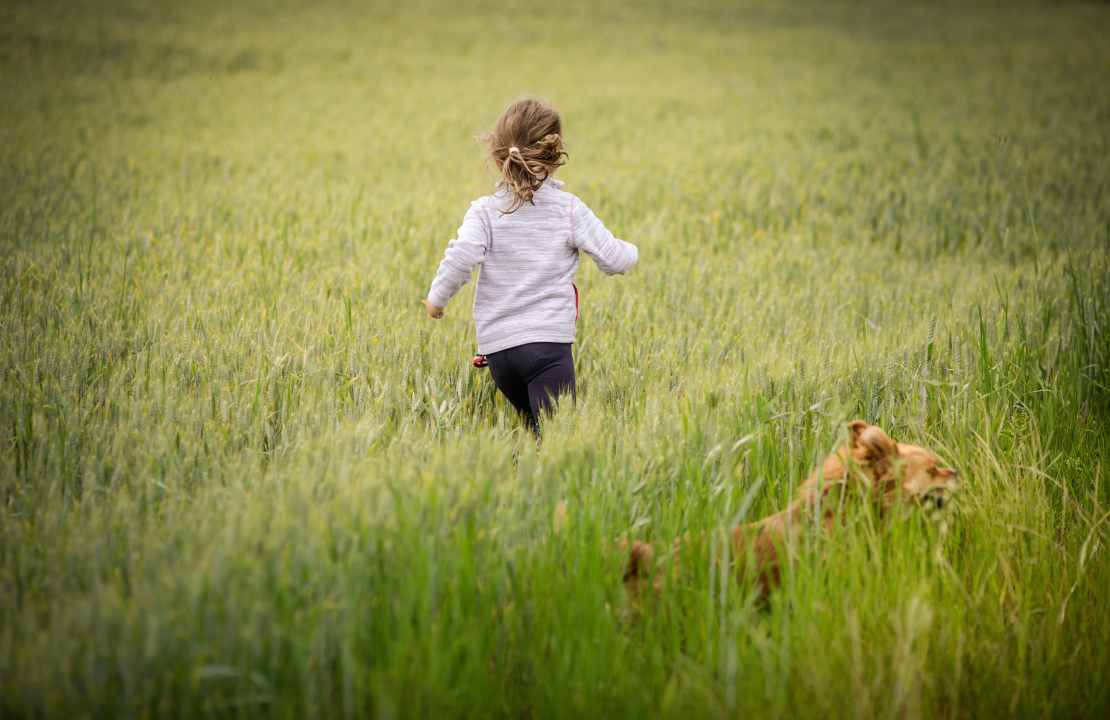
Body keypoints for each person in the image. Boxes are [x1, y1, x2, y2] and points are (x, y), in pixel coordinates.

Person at [422, 98, 638, 433]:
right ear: (553, 155)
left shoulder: (483, 211)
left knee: (537, 435)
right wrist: (633, 252)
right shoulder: (568, 209)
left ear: (498, 155)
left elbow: (462, 254)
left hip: (500, 354)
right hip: (547, 349)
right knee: (558, 444)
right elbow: (613, 259)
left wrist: (437, 300)